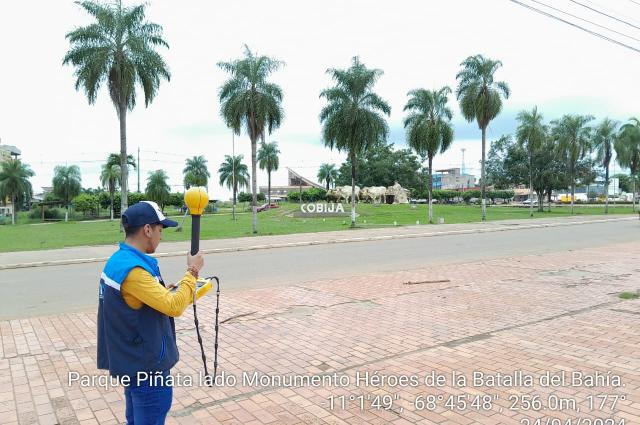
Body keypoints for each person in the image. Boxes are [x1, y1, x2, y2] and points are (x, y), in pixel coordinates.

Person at [97, 200, 204, 424]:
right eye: (160, 229)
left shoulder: (118, 260)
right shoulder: (134, 270)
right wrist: (192, 271)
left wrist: (163, 292)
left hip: (132, 362)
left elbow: (132, 302)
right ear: (147, 230)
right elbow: (174, 307)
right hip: (147, 369)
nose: (161, 236)